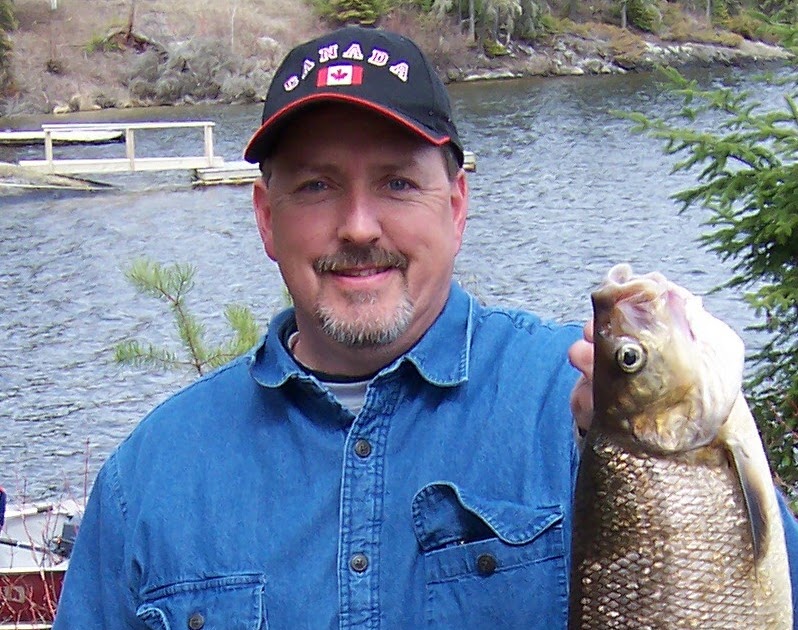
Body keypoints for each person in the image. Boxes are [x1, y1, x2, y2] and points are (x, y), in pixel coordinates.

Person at [53, 25, 798, 629]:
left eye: (398, 183)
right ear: (264, 218)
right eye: (316, 185)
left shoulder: (579, 410)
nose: (357, 225)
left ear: (458, 205)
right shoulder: (147, 478)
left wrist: (634, 465)